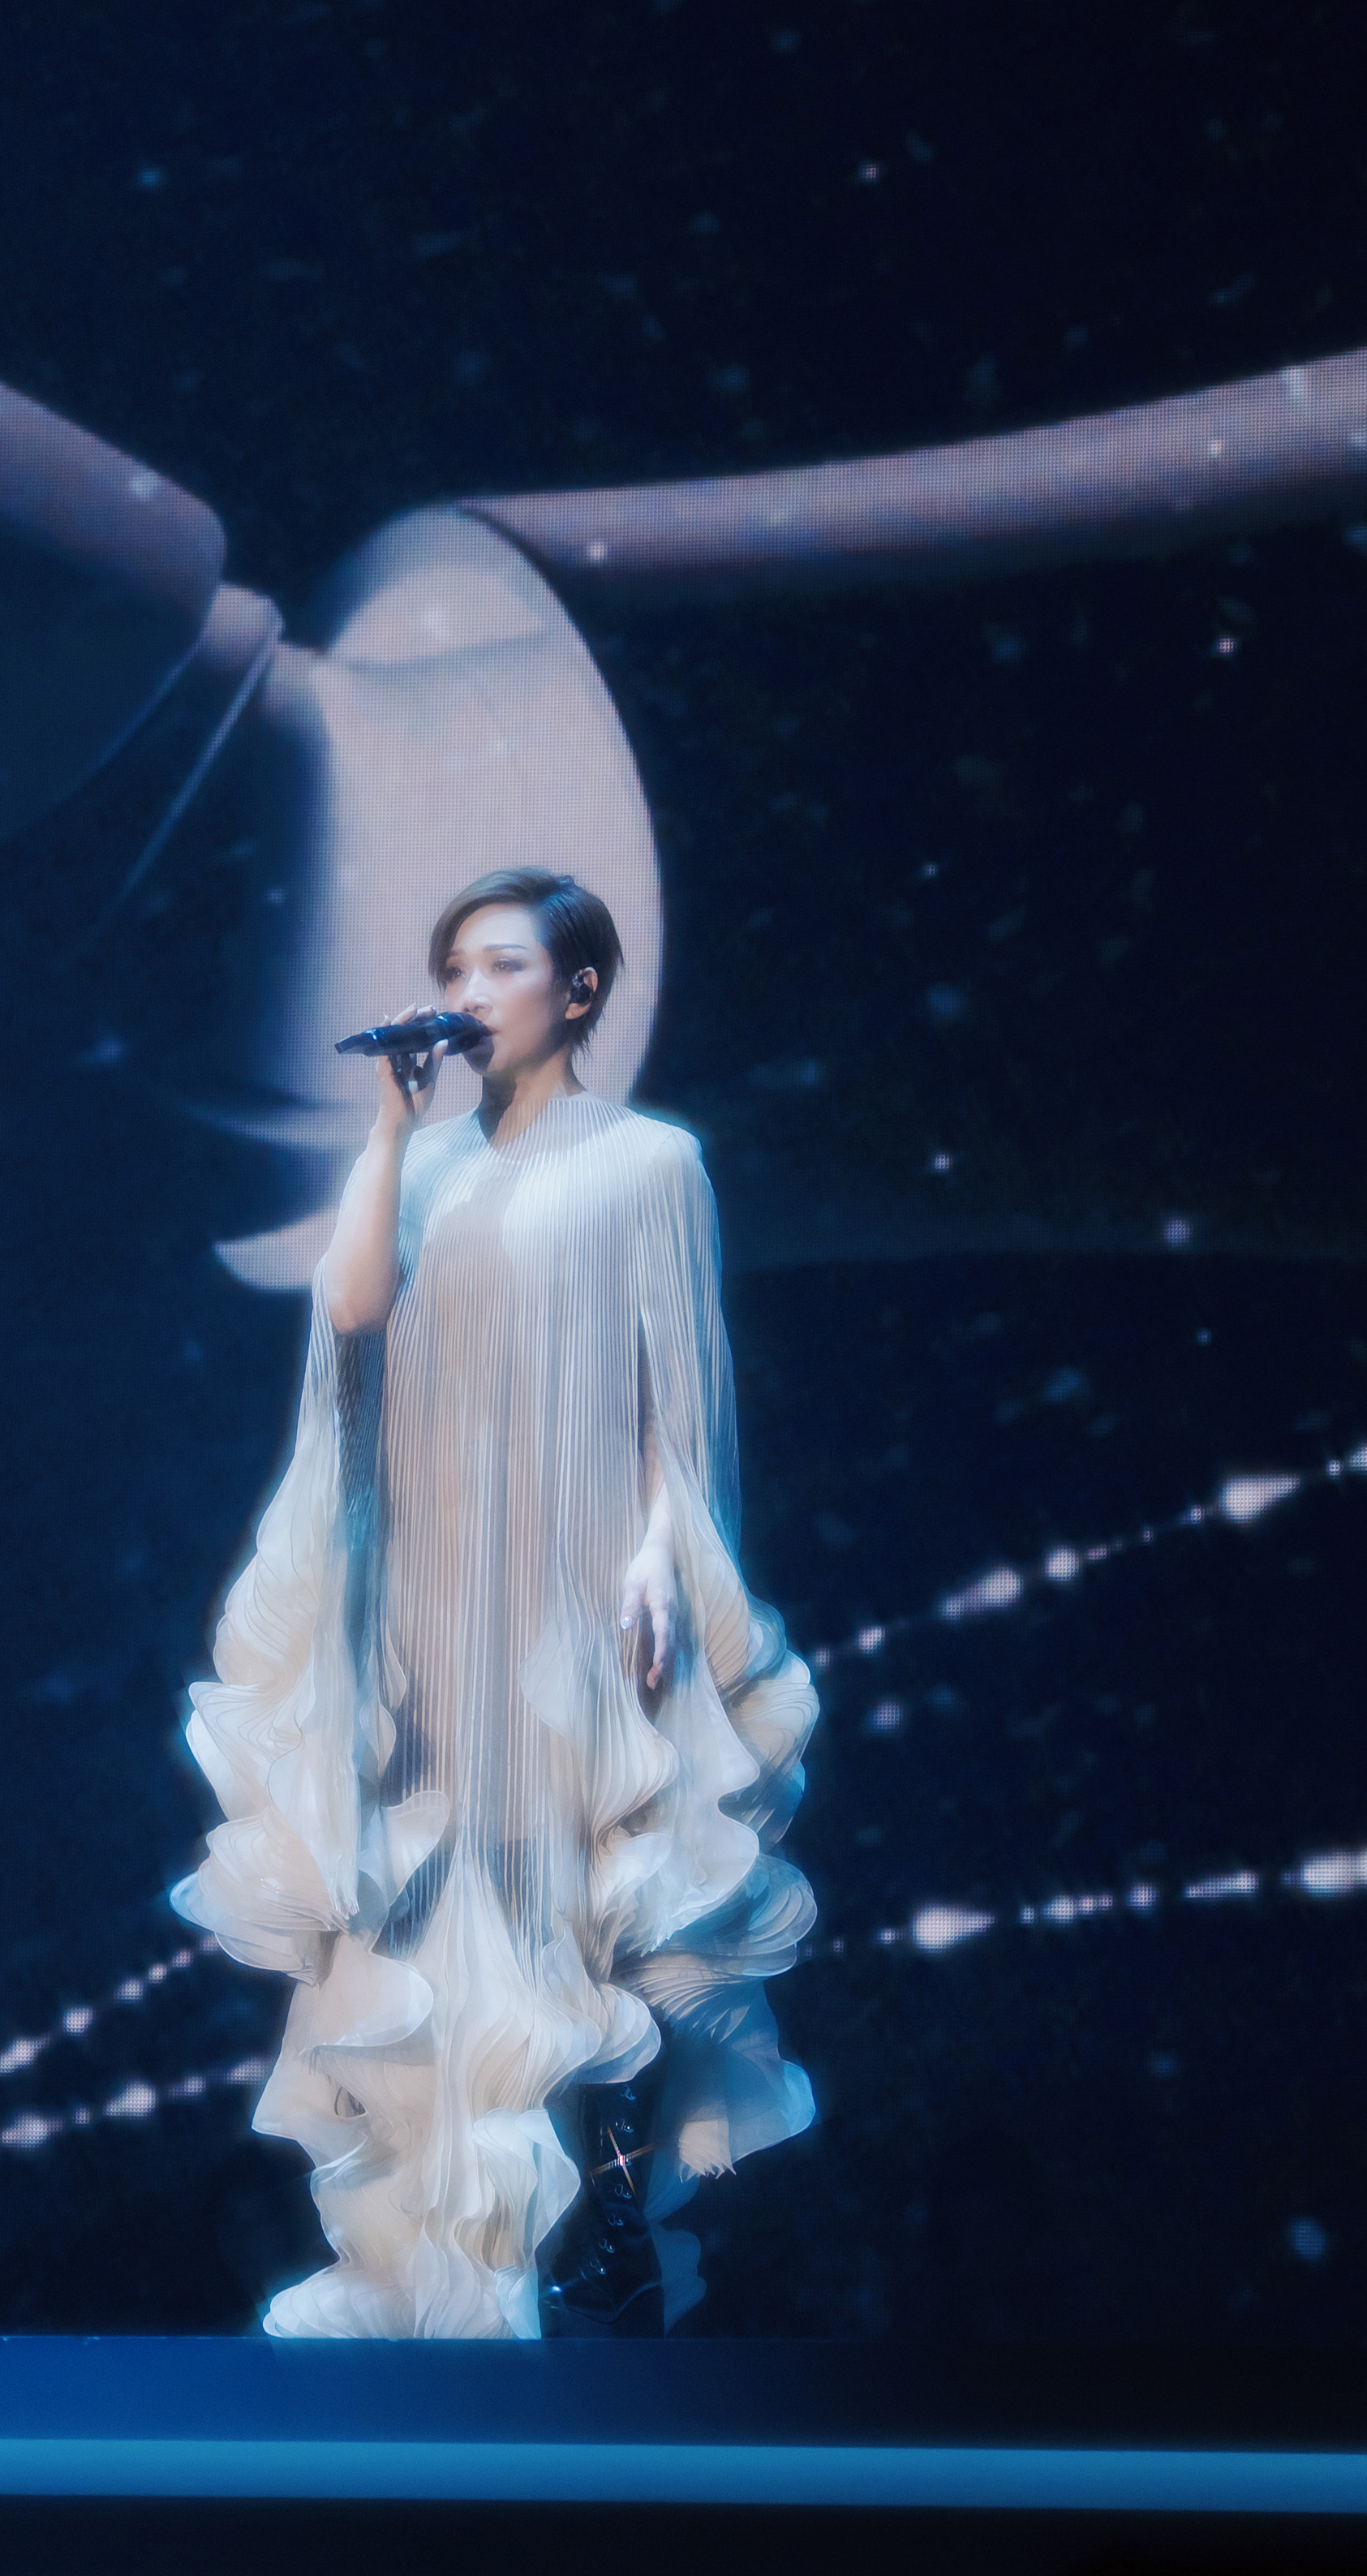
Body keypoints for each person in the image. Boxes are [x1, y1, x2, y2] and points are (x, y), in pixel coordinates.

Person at [171, 866, 821, 2338]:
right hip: (425, 1599)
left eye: (500, 965)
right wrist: (388, 1133)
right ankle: (433, 2266)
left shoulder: (650, 1162)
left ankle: (584, 2252)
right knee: (424, 1930)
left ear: (578, 991)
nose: (467, 993)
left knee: (572, 1918)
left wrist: (659, 1555)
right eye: (452, 967)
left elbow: (682, 1405)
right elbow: (349, 1315)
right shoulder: (424, 1166)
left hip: (570, 1604)